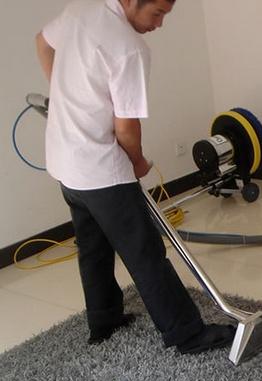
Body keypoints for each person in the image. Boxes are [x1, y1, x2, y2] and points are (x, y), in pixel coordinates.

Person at [35, 0, 235, 354]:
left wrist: (65, 100)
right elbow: (126, 128)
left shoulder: (80, 10)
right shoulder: (128, 48)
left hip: (66, 164)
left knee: (93, 247)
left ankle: (103, 321)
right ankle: (187, 334)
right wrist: (138, 162)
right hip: (101, 170)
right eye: (156, 13)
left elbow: (42, 42)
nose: (159, 24)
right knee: (146, 253)